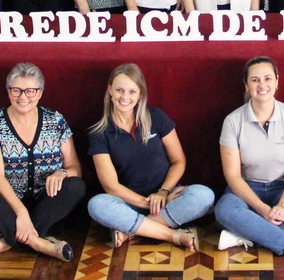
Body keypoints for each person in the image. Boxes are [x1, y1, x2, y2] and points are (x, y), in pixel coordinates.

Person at [0, 63, 86, 262]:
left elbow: (75, 168)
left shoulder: (55, 121)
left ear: (40, 93)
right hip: (8, 201)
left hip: (46, 200)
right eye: (17, 90)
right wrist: (21, 212)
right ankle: (39, 243)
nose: (23, 97)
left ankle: (7, 240)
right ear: (8, 92)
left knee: (76, 186)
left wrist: (61, 173)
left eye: (30, 91)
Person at [87, 64, 213, 249]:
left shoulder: (156, 117)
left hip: (167, 196)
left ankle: (132, 230)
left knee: (204, 195)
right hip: (128, 204)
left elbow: (178, 161)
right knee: (97, 204)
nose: (125, 97)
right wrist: (149, 204)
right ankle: (173, 235)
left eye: (132, 91)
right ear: (110, 90)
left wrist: (163, 192)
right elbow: (111, 186)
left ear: (140, 94)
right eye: (119, 90)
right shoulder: (99, 133)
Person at [214, 57, 284, 260]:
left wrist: (283, 205)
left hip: (283, 187)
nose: (262, 85)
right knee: (224, 211)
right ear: (246, 85)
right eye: (255, 80)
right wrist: (262, 210)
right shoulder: (232, 121)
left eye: (268, 78)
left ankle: (244, 234)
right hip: (246, 189)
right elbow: (232, 176)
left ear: (277, 82)